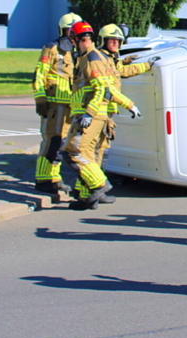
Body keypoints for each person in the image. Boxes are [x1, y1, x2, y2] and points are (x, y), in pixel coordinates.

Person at [62, 21, 146, 210]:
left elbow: (103, 88)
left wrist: (89, 114)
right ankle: (87, 197)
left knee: (74, 152)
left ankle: (98, 185)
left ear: (76, 39)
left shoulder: (92, 57)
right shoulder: (91, 56)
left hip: (91, 114)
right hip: (94, 113)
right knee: (89, 154)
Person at [90, 23, 155, 204]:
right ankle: (91, 190)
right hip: (96, 112)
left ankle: (95, 190)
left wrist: (146, 65)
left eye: (118, 41)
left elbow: (123, 72)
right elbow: (107, 88)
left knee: (102, 151)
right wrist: (129, 104)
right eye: (112, 41)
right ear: (103, 40)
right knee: (92, 152)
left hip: (106, 114)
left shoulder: (109, 59)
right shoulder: (98, 59)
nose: (116, 44)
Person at [32, 12, 81, 195]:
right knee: (52, 141)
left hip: (71, 105)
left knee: (62, 145)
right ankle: (43, 179)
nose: (73, 34)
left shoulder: (79, 51)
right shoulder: (53, 48)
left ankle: (54, 178)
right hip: (53, 104)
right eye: (70, 30)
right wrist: (40, 99)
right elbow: (40, 74)